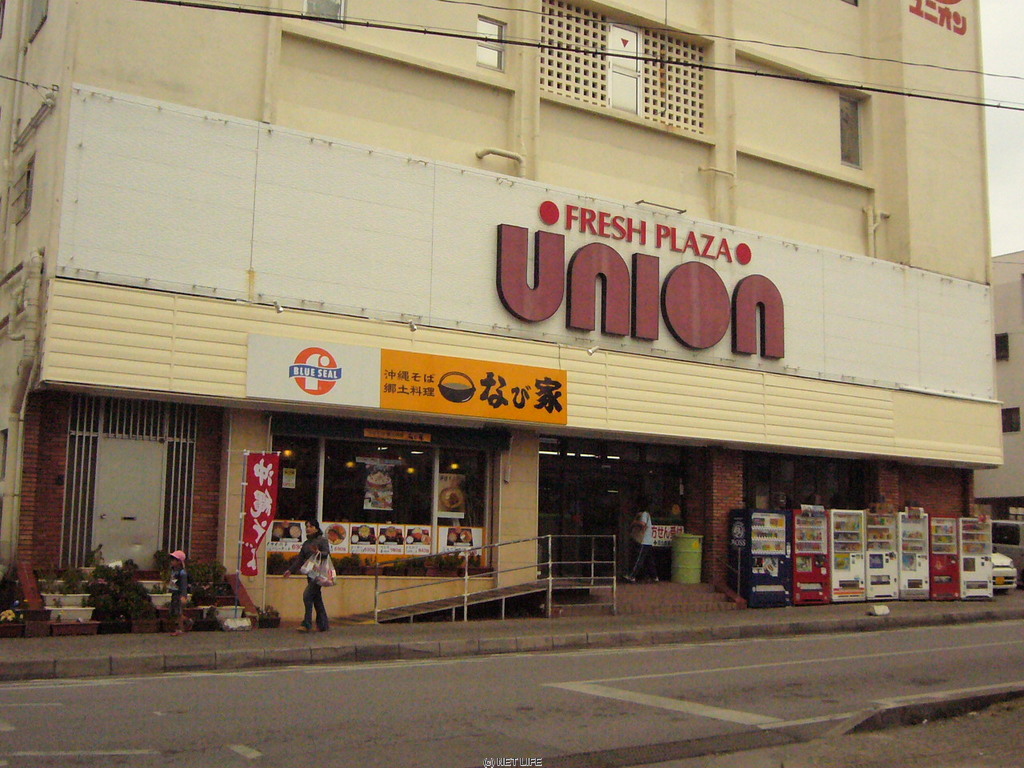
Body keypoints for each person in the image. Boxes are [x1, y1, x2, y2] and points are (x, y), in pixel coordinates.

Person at [282, 519, 331, 632]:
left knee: (307, 596)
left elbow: (326, 553)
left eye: (311, 526)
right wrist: (290, 570)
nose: (308, 529)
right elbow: (300, 559)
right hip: (310, 573)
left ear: (316, 528)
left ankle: (307, 624)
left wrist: (319, 552)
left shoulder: (322, 540)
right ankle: (323, 624)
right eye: (307, 526)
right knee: (316, 598)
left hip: (319, 573)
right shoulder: (306, 543)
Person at [625, 501, 658, 583]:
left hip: (644, 540)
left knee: (638, 559)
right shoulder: (647, 514)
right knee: (649, 561)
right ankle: (654, 577)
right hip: (648, 541)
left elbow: (643, 524)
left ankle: (632, 576)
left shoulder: (643, 514)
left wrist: (634, 522)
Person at [168, 549, 191, 636]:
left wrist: (183, 596)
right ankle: (187, 621)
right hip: (174, 593)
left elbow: (184, 585)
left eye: (173, 560)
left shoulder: (182, 573)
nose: (171, 561)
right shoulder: (173, 570)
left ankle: (179, 629)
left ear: (179, 562)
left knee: (178, 612)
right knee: (173, 611)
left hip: (179, 594)